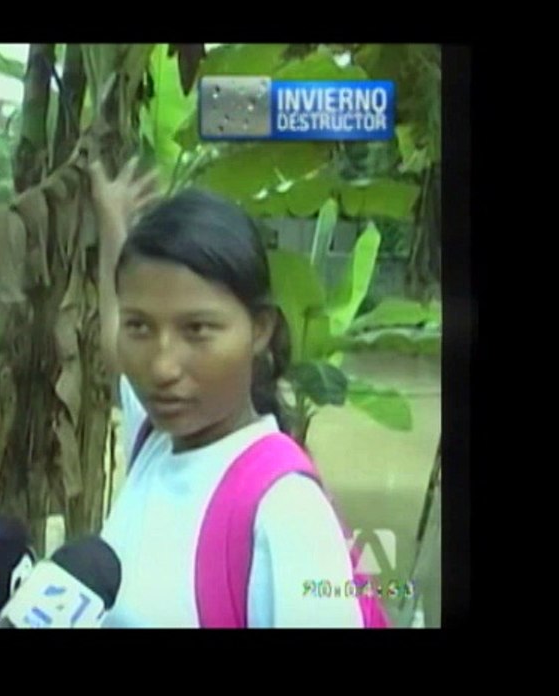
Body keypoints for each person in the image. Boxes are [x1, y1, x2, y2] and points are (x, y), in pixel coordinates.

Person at [91, 158, 364, 628]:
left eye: (197, 329)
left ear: (259, 330)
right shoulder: (155, 439)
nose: (161, 367)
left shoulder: (285, 512)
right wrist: (113, 222)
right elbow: (116, 333)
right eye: (142, 327)